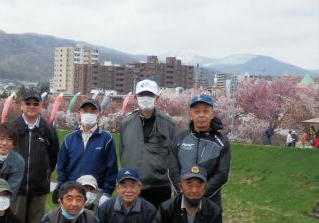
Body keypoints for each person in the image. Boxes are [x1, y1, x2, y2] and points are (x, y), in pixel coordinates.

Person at [9, 89, 59, 223]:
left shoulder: (48, 129)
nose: (31, 106)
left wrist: (43, 174)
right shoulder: (12, 127)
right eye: (28, 103)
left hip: (39, 188)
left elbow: (53, 157)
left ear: (41, 106)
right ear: (21, 105)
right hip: (17, 187)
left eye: (35, 103)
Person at [119, 79, 180, 208]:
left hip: (160, 188)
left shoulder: (169, 125)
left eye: (150, 95)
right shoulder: (126, 124)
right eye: (142, 95)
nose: (145, 98)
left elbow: (175, 158)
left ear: (156, 98)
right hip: (132, 187)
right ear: (136, 98)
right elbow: (122, 153)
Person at [55, 99, 117, 204]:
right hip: (72, 191)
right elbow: (61, 167)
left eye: (92, 111)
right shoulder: (69, 139)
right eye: (85, 111)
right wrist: (62, 189)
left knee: (95, 220)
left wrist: (107, 193)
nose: (89, 114)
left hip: (97, 193)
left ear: (98, 113)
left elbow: (112, 169)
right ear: (80, 113)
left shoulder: (107, 139)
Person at [177, 94, 231, 209]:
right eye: (197, 111)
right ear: (191, 114)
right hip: (182, 199)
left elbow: (222, 174)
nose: (201, 115)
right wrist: (185, 192)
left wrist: (200, 192)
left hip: (211, 200)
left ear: (212, 114)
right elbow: (172, 169)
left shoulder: (221, 141)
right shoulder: (180, 138)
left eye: (205, 111)